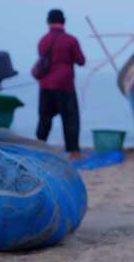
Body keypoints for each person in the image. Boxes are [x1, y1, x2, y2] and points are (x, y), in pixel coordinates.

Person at [35, 9, 85, 159]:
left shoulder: (43, 41)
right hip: (65, 85)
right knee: (70, 118)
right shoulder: (71, 40)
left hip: (45, 85)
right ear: (64, 21)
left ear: (48, 22)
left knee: (44, 118)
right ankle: (73, 151)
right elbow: (81, 61)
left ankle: (38, 147)